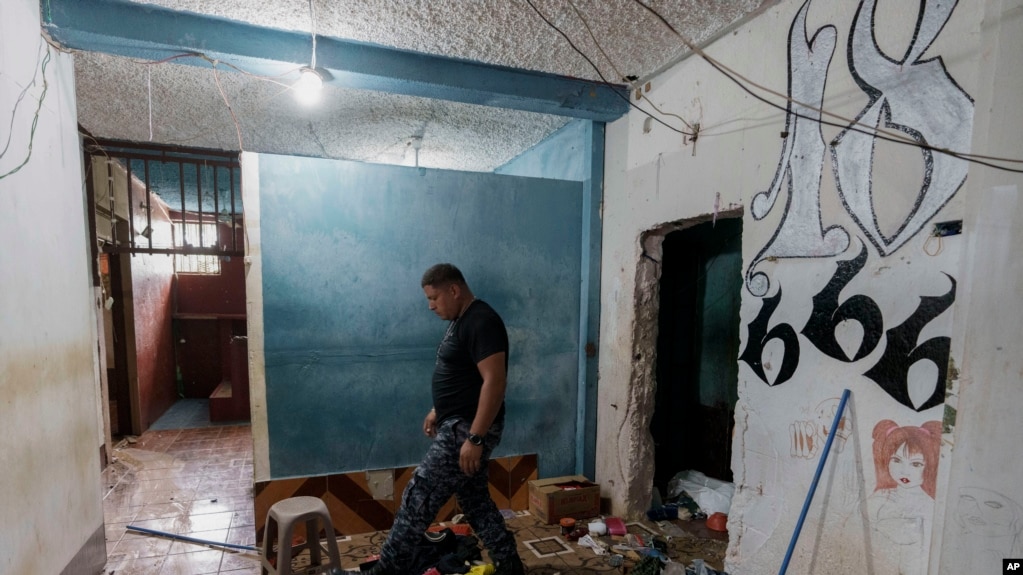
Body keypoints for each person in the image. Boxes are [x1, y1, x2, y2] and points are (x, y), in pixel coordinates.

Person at [349, 263, 524, 575]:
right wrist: (438, 410)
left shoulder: (482, 321)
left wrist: (475, 438)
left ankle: (386, 570)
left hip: (466, 431)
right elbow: (462, 376)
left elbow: (494, 382)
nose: (430, 306)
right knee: (475, 501)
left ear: (453, 290)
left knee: (418, 496)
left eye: (434, 298)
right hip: (458, 424)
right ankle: (510, 568)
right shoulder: (461, 320)